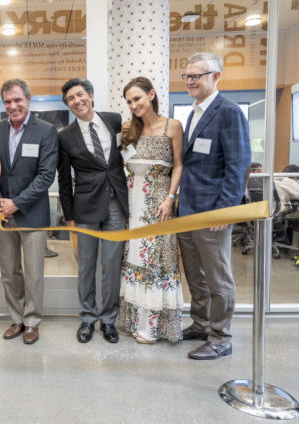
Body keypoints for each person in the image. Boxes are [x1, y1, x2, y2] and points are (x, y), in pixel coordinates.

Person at [177, 52, 251, 360]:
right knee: (195, 275)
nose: (191, 81)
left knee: (219, 277)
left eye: (198, 76)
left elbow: (238, 164)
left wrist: (226, 210)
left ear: (216, 77)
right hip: (188, 211)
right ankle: (200, 324)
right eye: (188, 76)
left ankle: (221, 336)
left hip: (213, 213)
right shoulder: (193, 112)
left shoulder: (229, 112)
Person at [57, 78, 127, 344]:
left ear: (91, 95)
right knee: (86, 266)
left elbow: (125, 158)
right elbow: (63, 180)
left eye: (79, 95)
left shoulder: (115, 120)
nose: (76, 101)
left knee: (111, 265)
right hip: (84, 206)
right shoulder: (64, 136)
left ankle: (109, 320)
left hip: (116, 203)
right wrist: (69, 217)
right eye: (71, 99)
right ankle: (87, 318)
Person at [116, 77, 184, 344]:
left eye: (138, 99)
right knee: (137, 260)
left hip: (159, 202)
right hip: (133, 202)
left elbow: (179, 165)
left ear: (151, 95)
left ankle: (156, 327)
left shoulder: (172, 126)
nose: (134, 105)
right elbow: (123, 165)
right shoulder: (127, 129)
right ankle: (135, 321)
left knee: (158, 261)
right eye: (130, 101)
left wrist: (170, 198)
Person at [0, 79, 58, 345]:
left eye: (18, 100)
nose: (13, 106)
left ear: (28, 100)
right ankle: (16, 318)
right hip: (2, 214)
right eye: (7, 101)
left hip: (32, 212)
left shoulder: (46, 131)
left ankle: (32, 321)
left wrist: (16, 203)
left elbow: (46, 175)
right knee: (9, 270)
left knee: (33, 272)